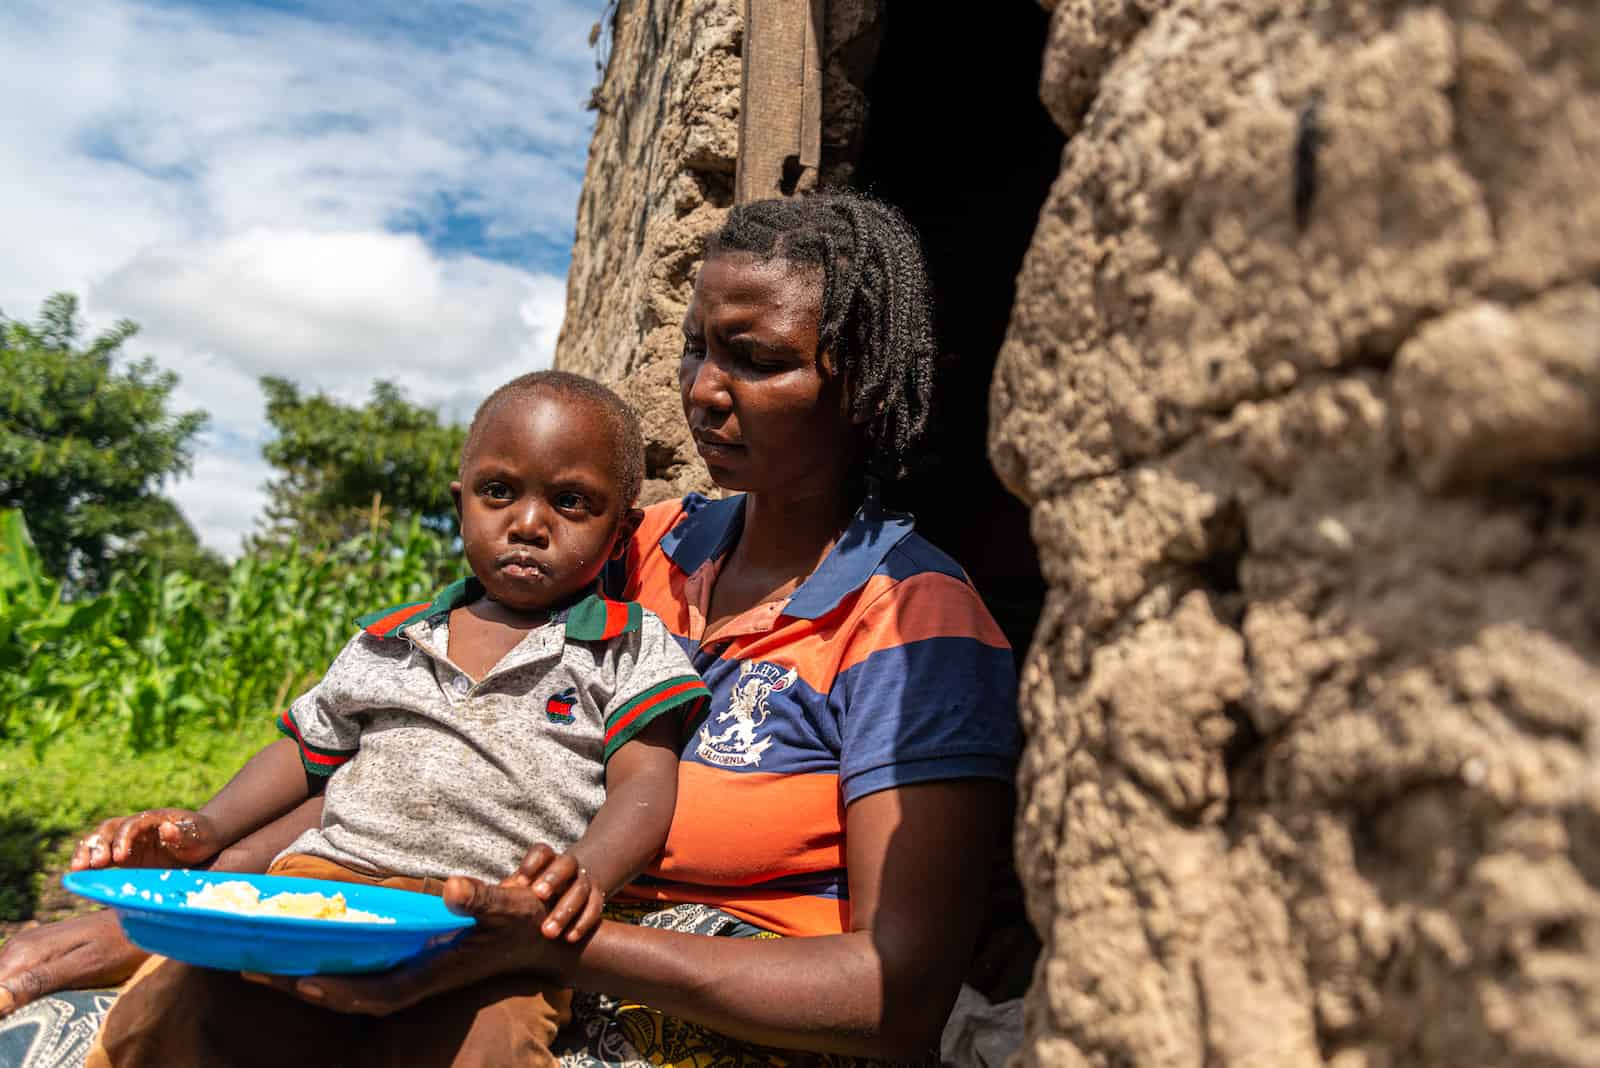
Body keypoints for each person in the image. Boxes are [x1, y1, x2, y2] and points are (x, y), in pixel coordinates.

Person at [0, 190, 1021, 1067]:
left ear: (859, 382)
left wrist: (550, 948)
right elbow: (392, 763)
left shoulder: (910, 624)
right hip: (472, 941)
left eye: (753, 360)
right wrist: (137, 917)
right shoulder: (634, 551)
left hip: (676, 1008)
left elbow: (893, 996)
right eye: (696, 348)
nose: (704, 391)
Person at [77, 370, 712, 1067]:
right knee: (179, 1007)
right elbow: (302, 752)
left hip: (483, 925)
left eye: (571, 502)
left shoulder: (623, 644)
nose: (529, 524)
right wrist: (206, 827)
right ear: (460, 504)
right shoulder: (390, 639)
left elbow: (644, 787)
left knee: (488, 1045)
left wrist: (581, 876)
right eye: (499, 492)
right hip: (322, 889)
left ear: (620, 535)